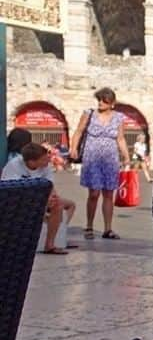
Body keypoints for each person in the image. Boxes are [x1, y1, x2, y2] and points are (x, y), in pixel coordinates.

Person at [71, 87, 130, 239]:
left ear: (112, 103)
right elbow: (78, 131)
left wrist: (126, 156)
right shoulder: (89, 114)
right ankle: (89, 226)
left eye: (105, 101)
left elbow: (120, 138)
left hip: (110, 158)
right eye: (99, 100)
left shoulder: (118, 117)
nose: (101, 103)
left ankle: (107, 229)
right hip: (92, 157)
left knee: (109, 193)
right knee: (94, 193)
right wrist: (73, 148)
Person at [4, 142, 77, 254]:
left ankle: (53, 242)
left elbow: (50, 186)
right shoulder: (14, 166)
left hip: (40, 198)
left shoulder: (45, 167)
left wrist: (51, 198)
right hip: (18, 200)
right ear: (32, 162)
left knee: (60, 204)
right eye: (43, 159)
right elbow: (12, 191)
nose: (47, 161)